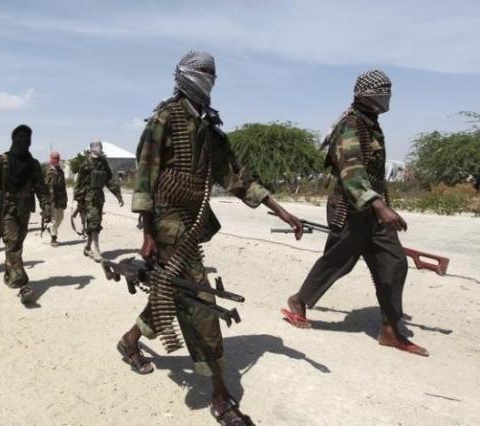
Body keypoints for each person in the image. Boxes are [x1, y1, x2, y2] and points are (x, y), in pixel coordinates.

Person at [119, 50, 303, 426]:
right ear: (184, 75)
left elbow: (236, 177)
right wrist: (147, 232)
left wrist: (280, 209)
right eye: (201, 72)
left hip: (190, 224)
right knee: (201, 302)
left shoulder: (209, 127)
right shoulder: (165, 119)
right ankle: (220, 397)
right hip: (167, 226)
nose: (208, 78)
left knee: (171, 292)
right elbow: (145, 175)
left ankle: (129, 341)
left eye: (212, 73)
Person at [282, 70, 429, 357]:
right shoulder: (350, 126)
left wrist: (381, 205)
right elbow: (352, 171)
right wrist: (380, 206)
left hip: (373, 208)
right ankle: (299, 300)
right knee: (340, 261)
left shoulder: (370, 124)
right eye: (384, 91)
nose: (388, 97)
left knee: (395, 262)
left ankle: (390, 328)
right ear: (368, 95)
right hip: (349, 209)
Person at [0, 125, 52, 304]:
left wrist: (46, 206)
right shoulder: (3, 161)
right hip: (6, 209)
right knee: (13, 243)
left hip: (24, 210)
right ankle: (24, 283)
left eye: (27, 140)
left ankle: (10, 275)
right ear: (14, 140)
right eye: (21, 140)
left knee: (16, 244)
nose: (24, 143)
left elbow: (41, 187)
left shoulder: (33, 164)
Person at [73, 141, 124, 262]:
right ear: (90, 149)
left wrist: (118, 196)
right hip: (88, 198)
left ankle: (88, 246)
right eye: (96, 146)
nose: (98, 148)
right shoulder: (85, 164)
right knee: (94, 222)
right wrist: (78, 202)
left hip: (99, 198)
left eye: (99, 146)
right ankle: (96, 249)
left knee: (95, 222)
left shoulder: (103, 163)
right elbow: (78, 184)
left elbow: (109, 181)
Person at [44, 151, 68, 247]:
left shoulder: (60, 171)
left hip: (60, 198)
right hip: (52, 199)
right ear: (50, 159)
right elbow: (45, 186)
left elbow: (63, 186)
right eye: (54, 158)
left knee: (61, 217)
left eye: (57, 158)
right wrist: (46, 200)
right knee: (54, 219)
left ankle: (49, 227)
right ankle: (53, 239)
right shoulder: (48, 171)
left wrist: (65, 198)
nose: (56, 160)